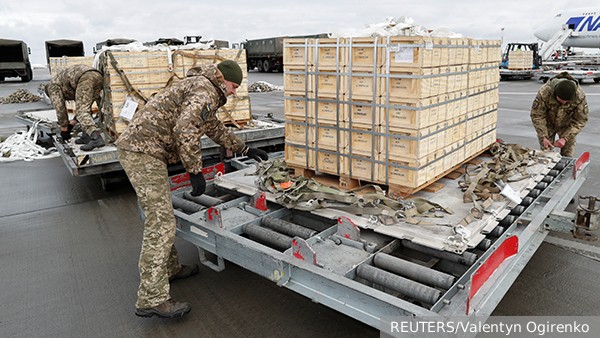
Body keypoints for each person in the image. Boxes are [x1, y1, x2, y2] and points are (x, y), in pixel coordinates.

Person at [115, 60, 268, 319]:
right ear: (222, 79)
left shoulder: (203, 88)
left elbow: (212, 127)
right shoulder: (204, 91)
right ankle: (152, 298)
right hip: (142, 153)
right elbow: (185, 128)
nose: (234, 92)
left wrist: (244, 148)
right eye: (233, 86)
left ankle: (171, 268)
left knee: (162, 216)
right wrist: (194, 170)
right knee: (161, 222)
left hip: (145, 151)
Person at [45, 64, 106, 151]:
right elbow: (84, 105)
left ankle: (96, 138)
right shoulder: (60, 82)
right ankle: (86, 137)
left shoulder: (52, 87)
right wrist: (73, 122)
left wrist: (64, 128)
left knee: (82, 112)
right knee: (85, 109)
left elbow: (60, 108)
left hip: (85, 77)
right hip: (97, 76)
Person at [530, 72, 589, 157]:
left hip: (567, 125)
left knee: (567, 155)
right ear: (555, 93)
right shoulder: (545, 92)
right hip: (548, 124)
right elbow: (537, 115)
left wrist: (565, 138)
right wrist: (543, 136)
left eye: (567, 101)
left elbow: (580, 120)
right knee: (547, 154)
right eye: (561, 99)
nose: (564, 102)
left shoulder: (579, 96)